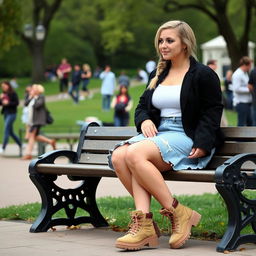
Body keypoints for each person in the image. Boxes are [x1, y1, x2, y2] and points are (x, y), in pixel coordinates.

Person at [109, 20, 223, 251]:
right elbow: (141, 106)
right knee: (119, 156)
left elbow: (212, 111)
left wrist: (202, 142)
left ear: (185, 43)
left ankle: (177, 212)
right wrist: (145, 120)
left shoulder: (202, 74)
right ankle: (145, 225)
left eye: (169, 40)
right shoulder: (159, 72)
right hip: (161, 133)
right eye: (161, 40)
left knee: (134, 153)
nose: (163, 45)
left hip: (186, 135)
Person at [22, 84, 56, 160]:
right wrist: (31, 97)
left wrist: (34, 97)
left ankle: (28, 154)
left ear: (38, 90)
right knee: (35, 136)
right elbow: (25, 104)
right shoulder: (32, 97)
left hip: (38, 121)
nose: (32, 90)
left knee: (31, 136)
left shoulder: (41, 97)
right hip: (32, 121)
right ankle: (50, 141)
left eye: (33, 89)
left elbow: (37, 105)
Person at [0, 81, 22, 153]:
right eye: (2, 86)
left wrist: (8, 103)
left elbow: (17, 103)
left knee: (6, 129)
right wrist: (1, 98)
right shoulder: (3, 94)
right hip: (6, 113)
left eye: (5, 85)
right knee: (10, 132)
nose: (4, 87)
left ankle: (3, 147)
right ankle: (21, 144)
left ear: (8, 85)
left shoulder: (13, 93)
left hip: (12, 114)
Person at [232, 56, 253, 126]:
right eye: (249, 66)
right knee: (241, 124)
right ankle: (239, 137)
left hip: (247, 102)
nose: (250, 67)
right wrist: (249, 89)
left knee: (250, 123)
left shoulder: (245, 73)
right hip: (241, 102)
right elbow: (236, 88)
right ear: (244, 65)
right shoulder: (237, 74)